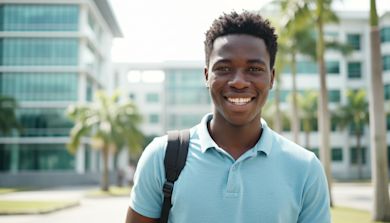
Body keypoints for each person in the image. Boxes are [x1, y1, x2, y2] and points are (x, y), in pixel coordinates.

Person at [125, 11, 331, 223]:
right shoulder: (161, 156)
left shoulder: (305, 168)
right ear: (207, 76)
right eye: (224, 68)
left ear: (272, 78)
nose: (239, 82)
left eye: (254, 68)